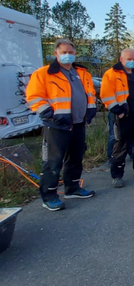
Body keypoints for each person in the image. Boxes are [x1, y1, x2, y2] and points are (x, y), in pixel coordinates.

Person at [26, 39, 97, 211]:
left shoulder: (81, 73)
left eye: (71, 52)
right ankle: (49, 196)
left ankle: (72, 188)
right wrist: (48, 112)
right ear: (56, 54)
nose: (68, 55)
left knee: (76, 157)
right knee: (53, 161)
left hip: (78, 122)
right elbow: (33, 96)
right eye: (64, 52)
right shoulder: (44, 73)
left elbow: (90, 93)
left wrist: (91, 109)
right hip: (57, 125)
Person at [101, 49, 134, 188]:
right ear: (121, 59)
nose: (132, 61)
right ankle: (117, 175)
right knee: (121, 146)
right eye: (129, 59)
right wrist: (117, 110)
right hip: (124, 116)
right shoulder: (112, 73)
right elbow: (106, 95)